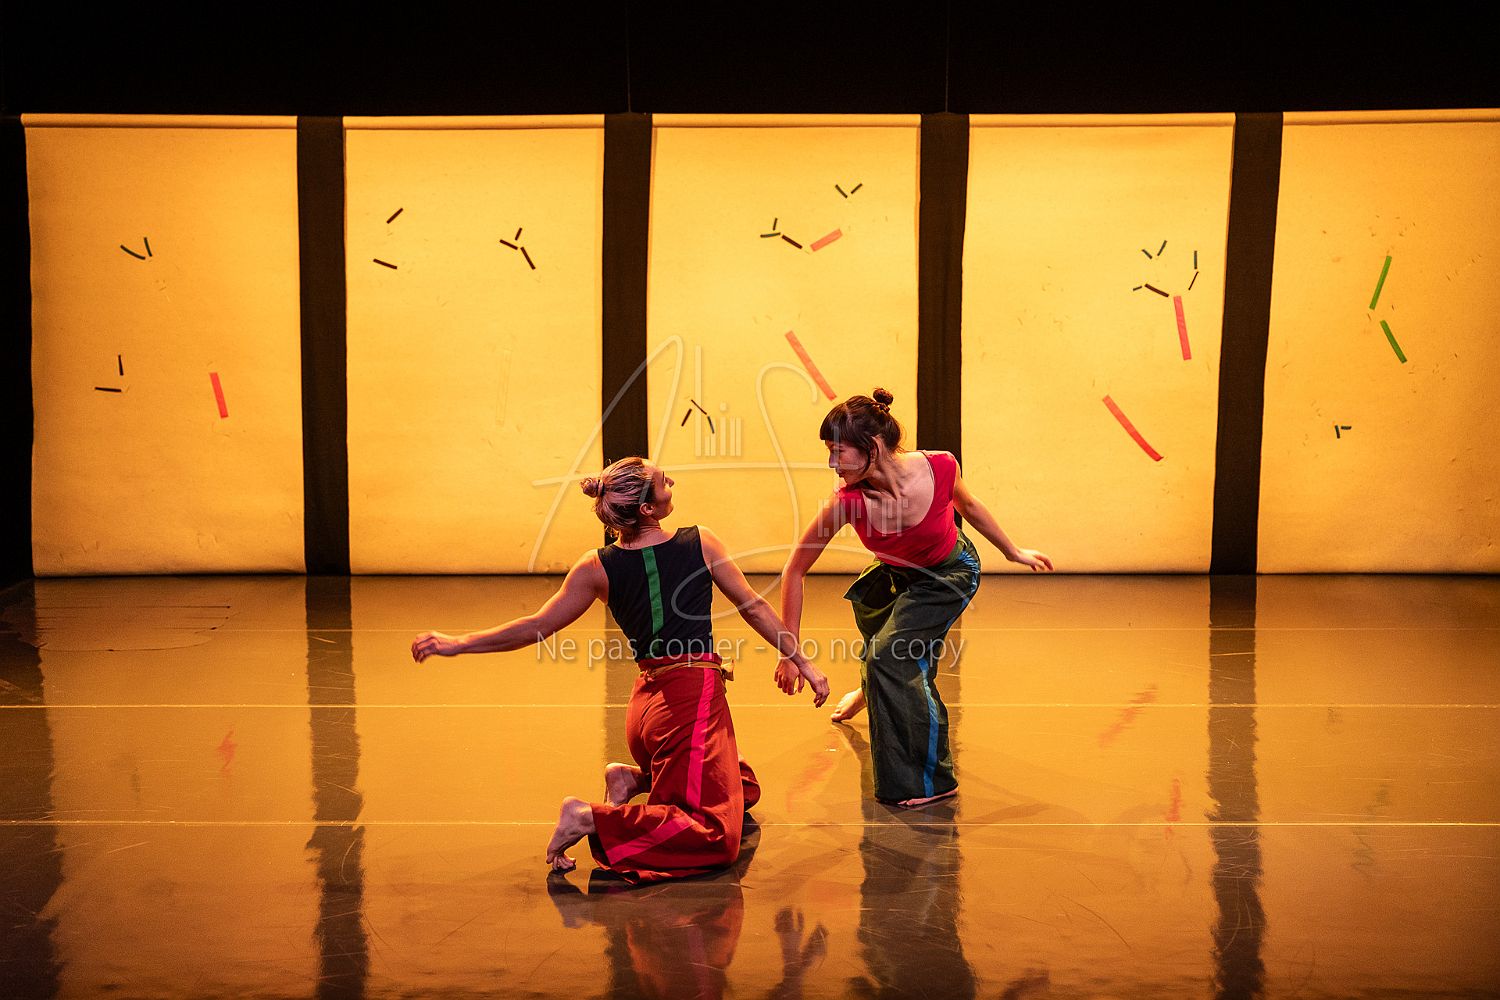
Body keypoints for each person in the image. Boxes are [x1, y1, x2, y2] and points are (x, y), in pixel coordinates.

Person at [412, 457, 829, 881]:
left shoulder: (595, 566)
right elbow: (753, 607)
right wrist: (804, 662)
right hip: (687, 705)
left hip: (646, 708)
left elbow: (536, 626)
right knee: (715, 835)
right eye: (663, 481)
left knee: (743, 786)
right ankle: (588, 817)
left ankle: (633, 778)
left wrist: (459, 643)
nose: (671, 481)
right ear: (647, 508)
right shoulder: (701, 542)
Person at [774, 389, 1053, 808]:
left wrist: (1013, 551)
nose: (832, 464)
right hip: (891, 577)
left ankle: (930, 781)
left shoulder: (940, 466)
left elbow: (969, 506)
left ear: (873, 446)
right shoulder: (846, 502)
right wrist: (789, 653)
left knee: (891, 658)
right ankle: (870, 690)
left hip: (947, 576)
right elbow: (794, 570)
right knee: (885, 657)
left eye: (838, 451)